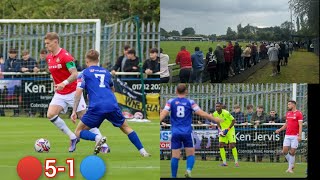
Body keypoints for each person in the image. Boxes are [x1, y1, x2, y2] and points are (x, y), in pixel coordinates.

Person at [71, 49, 150, 157]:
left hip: (97, 106)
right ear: (98, 60)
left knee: (78, 131)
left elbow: (78, 92)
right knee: (125, 127)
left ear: (86, 61)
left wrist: (74, 110)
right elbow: (112, 89)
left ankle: (97, 138)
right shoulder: (106, 72)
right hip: (111, 104)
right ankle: (143, 151)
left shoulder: (84, 73)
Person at [44, 32, 107, 153]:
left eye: (48, 43)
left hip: (73, 92)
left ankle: (103, 144)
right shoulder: (49, 58)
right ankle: (73, 137)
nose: (47, 46)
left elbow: (74, 73)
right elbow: (54, 74)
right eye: (45, 44)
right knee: (50, 114)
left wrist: (64, 83)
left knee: (85, 119)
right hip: (60, 93)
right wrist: (55, 84)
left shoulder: (66, 56)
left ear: (55, 42)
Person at [160, 84, 221, 178]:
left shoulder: (170, 101)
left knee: (175, 156)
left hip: (175, 132)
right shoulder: (190, 102)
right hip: (187, 132)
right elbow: (201, 113)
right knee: (191, 154)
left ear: (176, 91)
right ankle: (188, 170)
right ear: (186, 92)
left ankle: (173, 176)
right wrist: (214, 119)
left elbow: (164, 113)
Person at [275, 100, 303, 173]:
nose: (288, 106)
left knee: (292, 152)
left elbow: (300, 125)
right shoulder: (288, 113)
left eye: (289, 104)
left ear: (293, 105)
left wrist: (299, 136)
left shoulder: (299, 113)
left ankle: (290, 168)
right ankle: (291, 164)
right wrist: (280, 130)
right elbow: (286, 124)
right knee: (284, 151)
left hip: (295, 136)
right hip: (287, 135)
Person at [213, 102, 239, 167]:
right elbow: (217, 121)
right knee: (220, 145)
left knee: (232, 145)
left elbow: (233, 121)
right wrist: (220, 129)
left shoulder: (226, 113)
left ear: (221, 107)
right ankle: (224, 162)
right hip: (223, 130)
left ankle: (236, 162)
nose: (217, 108)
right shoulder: (215, 114)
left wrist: (227, 129)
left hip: (230, 130)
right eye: (216, 106)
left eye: (218, 106)